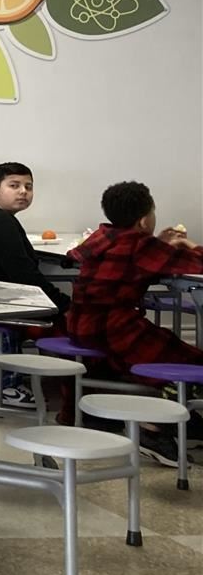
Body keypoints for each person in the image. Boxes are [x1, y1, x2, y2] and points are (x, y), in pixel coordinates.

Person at [67, 181, 203, 465]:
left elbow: (76, 255)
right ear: (144, 219)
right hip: (115, 329)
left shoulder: (102, 236)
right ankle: (156, 428)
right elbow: (196, 263)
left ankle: (180, 421)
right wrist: (187, 244)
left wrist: (159, 244)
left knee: (171, 347)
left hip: (79, 325)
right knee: (189, 360)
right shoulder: (141, 245)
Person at [0, 162, 70, 408]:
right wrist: (64, 304)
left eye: (28, 186)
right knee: (70, 321)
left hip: (1, 299)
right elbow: (25, 275)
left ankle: (63, 383)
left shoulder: (0, 218)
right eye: (14, 185)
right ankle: (18, 388)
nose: (23, 191)